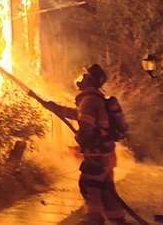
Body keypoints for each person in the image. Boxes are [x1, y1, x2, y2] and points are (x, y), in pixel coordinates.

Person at [43, 64, 129, 225]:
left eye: (84, 76)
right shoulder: (95, 99)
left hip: (96, 156)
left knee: (90, 187)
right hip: (106, 155)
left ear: (90, 80)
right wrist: (56, 108)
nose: (80, 78)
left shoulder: (89, 100)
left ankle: (93, 220)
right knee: (106, 190)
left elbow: (86, 128)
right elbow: (78, 114)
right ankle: (118, 220)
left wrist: (80, 140)